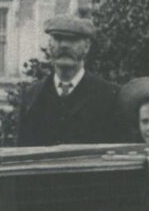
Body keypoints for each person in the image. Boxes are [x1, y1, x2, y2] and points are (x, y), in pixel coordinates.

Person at [14, 13, 121, 146]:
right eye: (58, 38)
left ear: (87, 47)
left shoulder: (109, 96)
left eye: (73, 40)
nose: (64, 45)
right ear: (50, 45)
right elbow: (23, 153)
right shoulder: (32, 96)